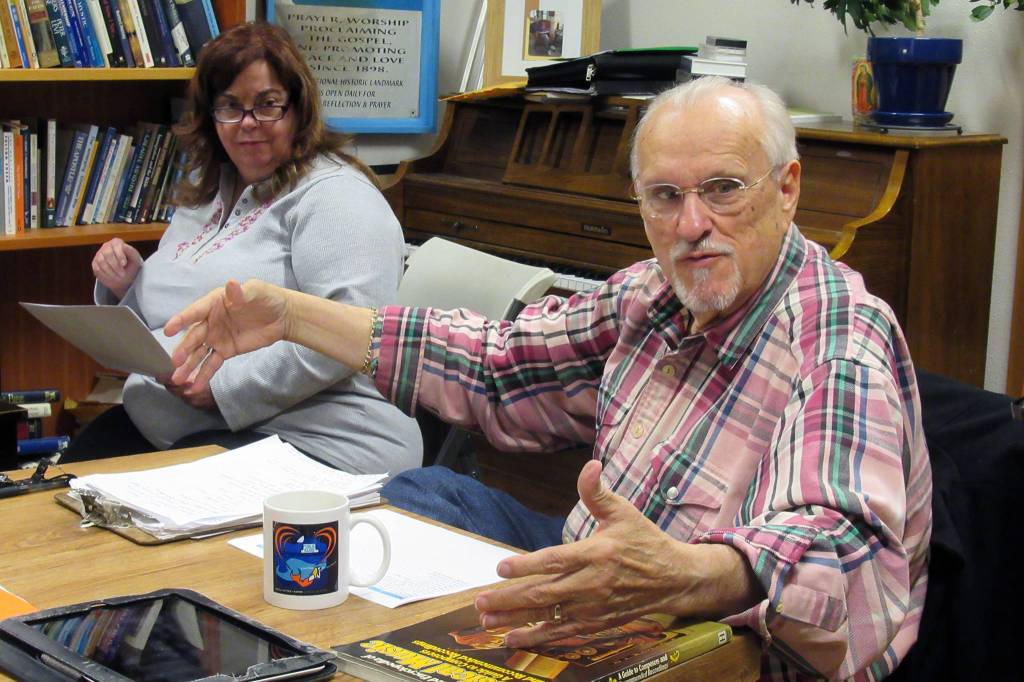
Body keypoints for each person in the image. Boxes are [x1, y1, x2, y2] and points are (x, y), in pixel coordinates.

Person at [164, 77, 931, 680]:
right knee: (412, 494)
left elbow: (852, 567)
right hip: (603, 574)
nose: (692, 223)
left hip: (717, 643)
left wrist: (693, 573)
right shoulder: (651, 295)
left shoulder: (836, 339)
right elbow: (498, 364)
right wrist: (293, 316)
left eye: (724, 190)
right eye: (665, 197)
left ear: (788, 188)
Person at [61, 23, 421, 476]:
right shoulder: (207, 190)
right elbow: (173, 312)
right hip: (188, 424)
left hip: (316, 437)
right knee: (62, 485)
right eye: (229, 107)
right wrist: (130, 285)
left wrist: (225, 388)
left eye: (267, 105)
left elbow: (350, 334)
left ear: (298, 108)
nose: (248, 123)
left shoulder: (337, 197)